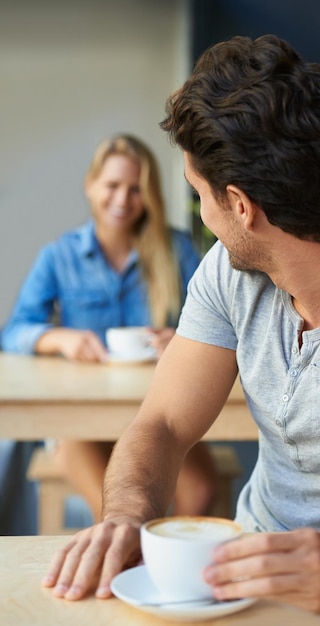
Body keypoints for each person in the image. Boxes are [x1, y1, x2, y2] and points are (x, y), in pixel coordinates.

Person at [41, 35, 320, 614]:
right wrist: (126, 516)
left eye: (199, 196)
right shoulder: (229, 273)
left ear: (240, 205)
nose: (202, 218)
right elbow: (164, 421)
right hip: (244, 587)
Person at [1, 133, 218, 523]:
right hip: (78, 416)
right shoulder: (60, 256)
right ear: (91, 185)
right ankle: (131, 569)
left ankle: (165, 570)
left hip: (155, 409)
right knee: (118, 510)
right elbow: (14, 331)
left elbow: (214, 319)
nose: (122, 200)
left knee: (200, 493)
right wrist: (58, 338)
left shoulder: (176, 249)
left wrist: (182, 338)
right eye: (112, 186)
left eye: (135, 189)